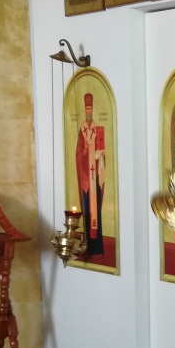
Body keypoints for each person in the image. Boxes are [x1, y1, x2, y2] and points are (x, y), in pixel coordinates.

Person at [76, 92, 106, 256]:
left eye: (90, 109)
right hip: (86, 179)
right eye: (87, 109)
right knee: (88, 211)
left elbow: (102, 150)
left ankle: (97, 246)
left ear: (92, 110)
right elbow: (78, 154)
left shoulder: (97, 129)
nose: (89, 111)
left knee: (97, 211)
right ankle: (88, 245)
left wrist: (100, 155)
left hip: (95, 178)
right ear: (85, 110)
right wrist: (86, 150)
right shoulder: (82, 130)